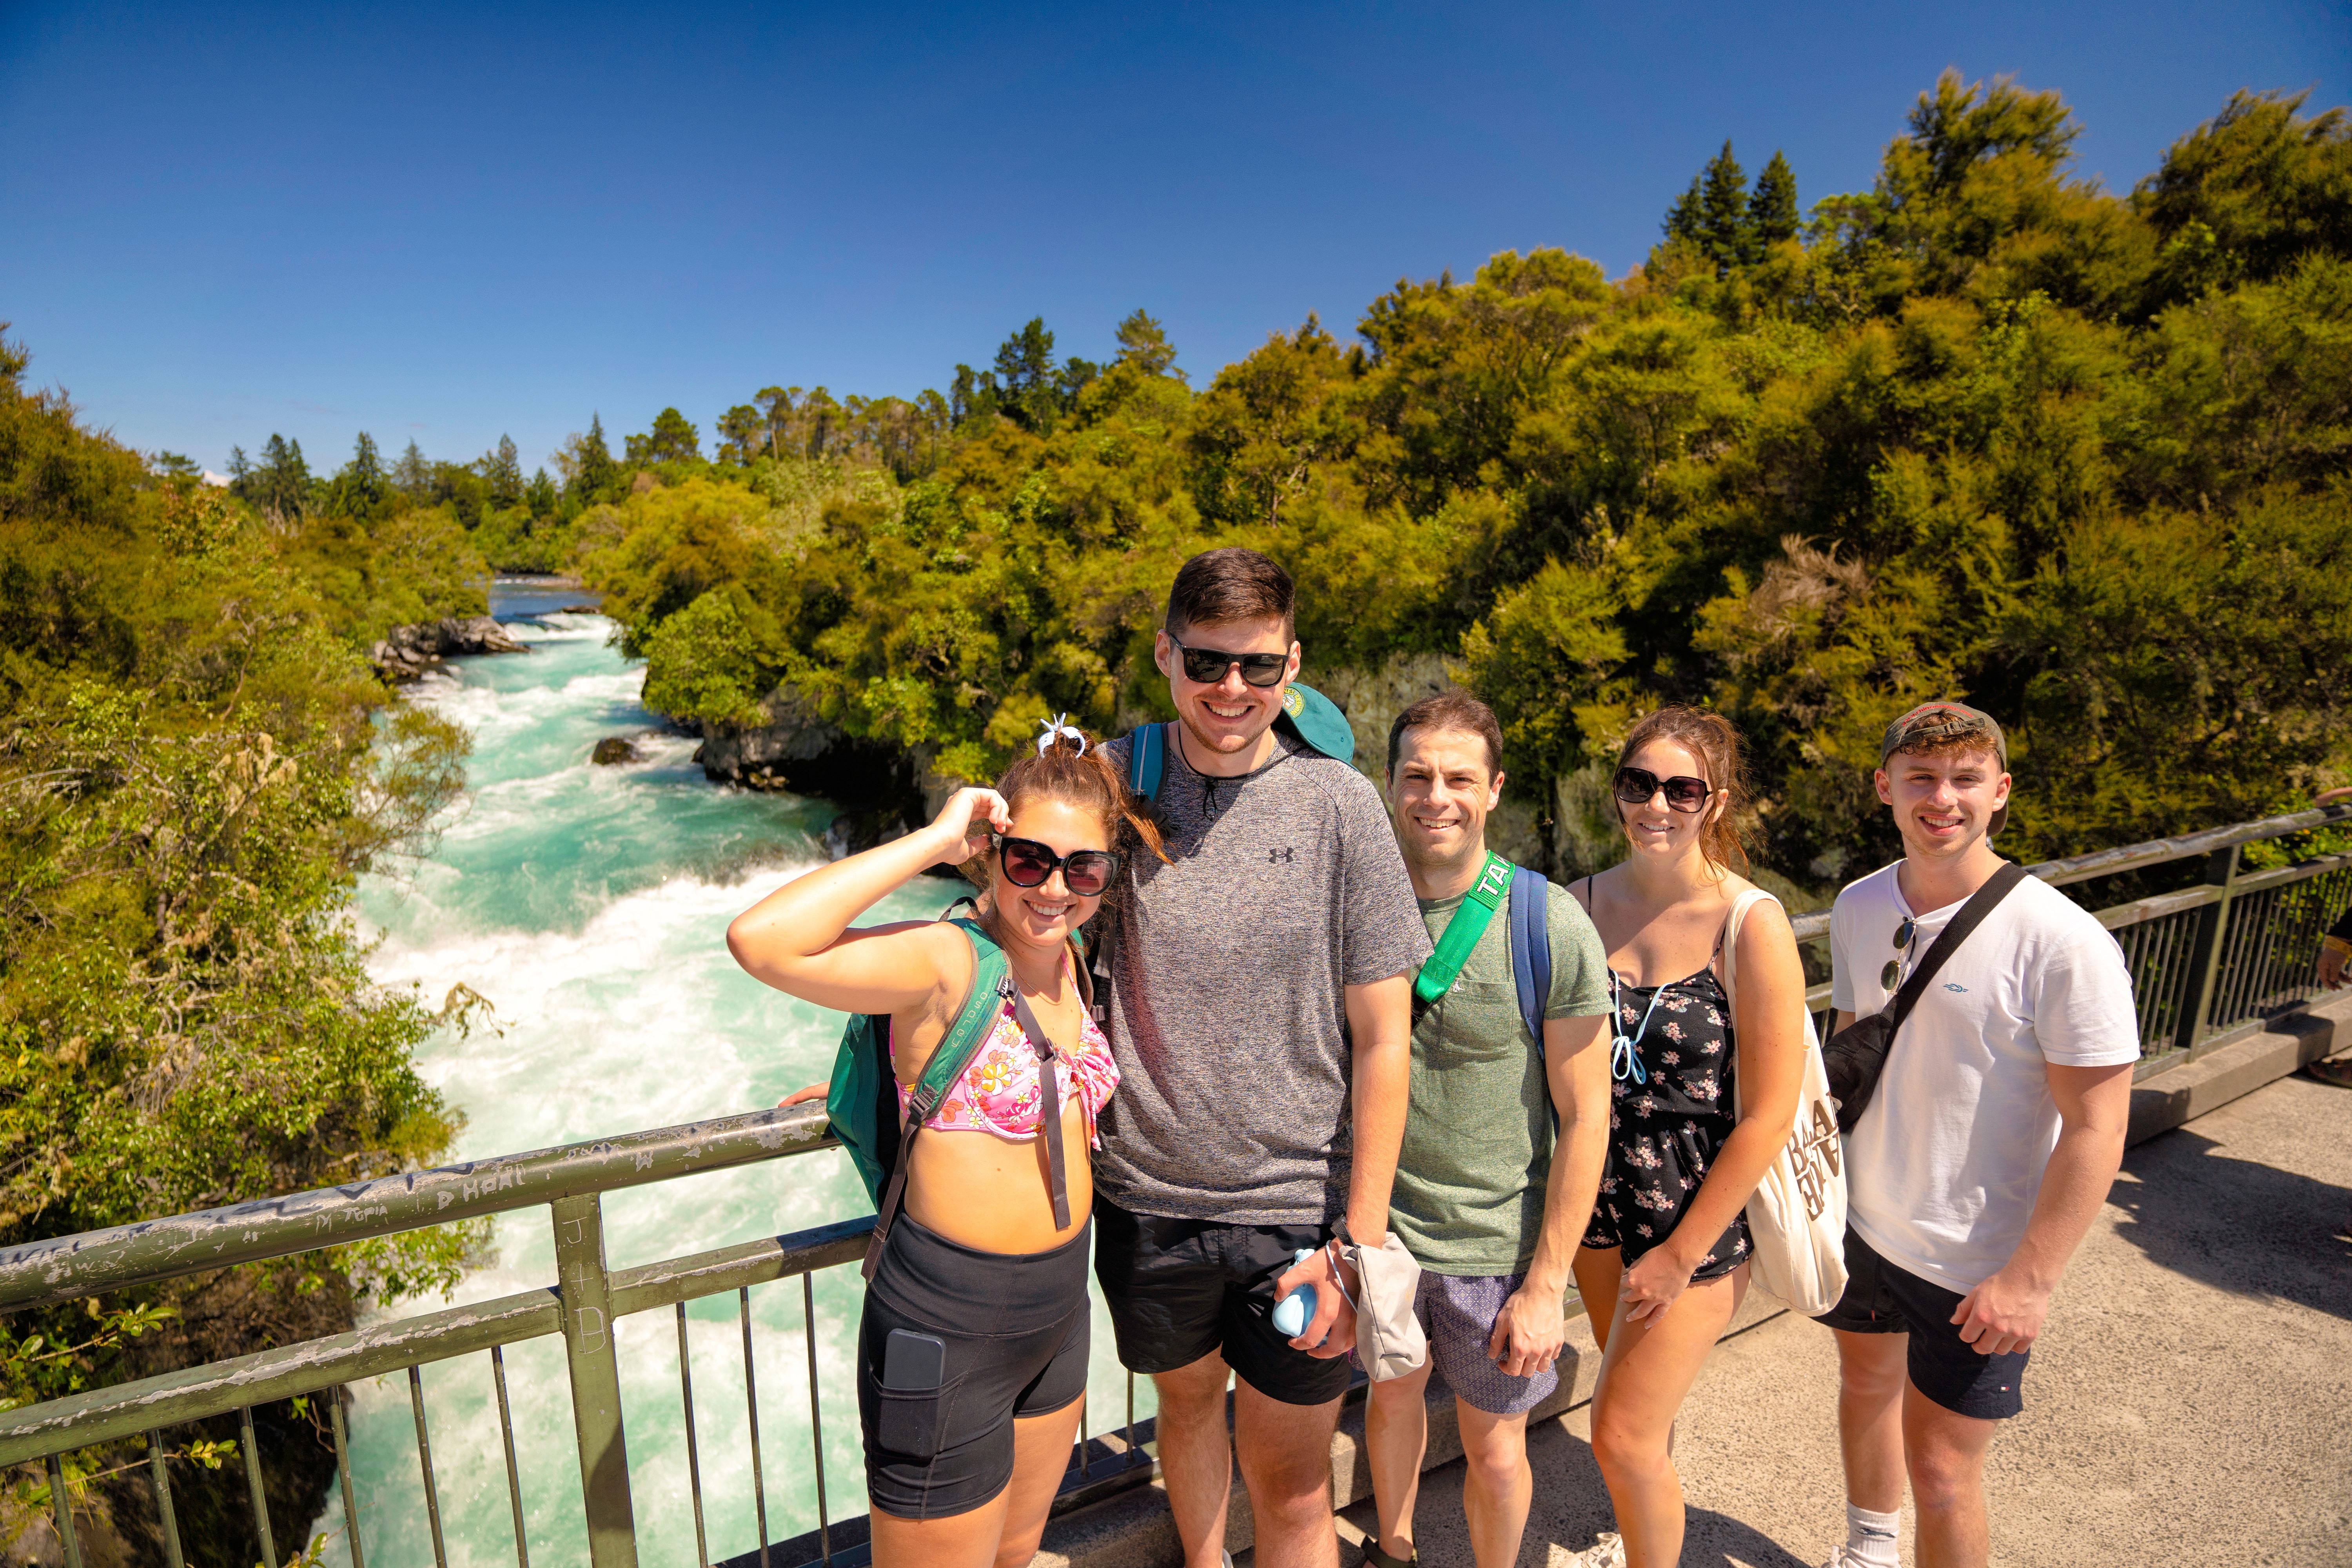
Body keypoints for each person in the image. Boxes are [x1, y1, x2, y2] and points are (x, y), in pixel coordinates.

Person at [726, 723, 1164, 1568]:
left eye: (1083, 869)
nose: (1054, 889)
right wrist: (932, 839)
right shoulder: (945, 960)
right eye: (1030, 861)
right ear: (992, 854)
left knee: (1017, 1553)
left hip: (1059, 1310)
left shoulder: (1071, 955)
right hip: (946, 1325)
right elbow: (761, 940)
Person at [1091, 548, 1428, 1568]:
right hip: (1147, 1200)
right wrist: (911, 1046)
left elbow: (1385, 1039)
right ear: (1165, 655)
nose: (1231, 688)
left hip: (1298, 1215)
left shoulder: (1339, 804)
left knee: (1293, 1484)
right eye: (1207, 661)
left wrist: (1358, 1246)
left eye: (1258, 665)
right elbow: (1024, 932)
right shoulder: (1112, 785)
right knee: (1188, 1414)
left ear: (1293, 664)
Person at [1817, 702, 2137, 1568]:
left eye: (1965, 779)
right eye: (1921, 777)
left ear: (2001, 791)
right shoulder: (1859, 903)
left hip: (1975, 1261)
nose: (1942, 798)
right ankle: (1869, 1550)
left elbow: (2100, 1123)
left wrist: (2030, 1279)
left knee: (1944, 1471)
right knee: (1865, 1384)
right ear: (1884, 786)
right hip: (1864, 1220)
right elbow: (1852, 1041)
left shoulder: (2063, 940)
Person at [1363, 692, 1613, 1568]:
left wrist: (1546, 1285)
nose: (1437, 796)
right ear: (1390, 782)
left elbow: (1587, 1116)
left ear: (1495, 789)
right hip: (1383, 1234)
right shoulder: (1359, 906)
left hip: (1496, 1248)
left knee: (1498, 1450)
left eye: (1460, 778)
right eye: (1418, 775)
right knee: (1391, 1404)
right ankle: (1393, 1550)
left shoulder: (1547, 922)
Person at [1568, 707, 1808, 1568]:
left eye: (1682, 789)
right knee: (1637, 1408)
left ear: (1717, 802)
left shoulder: (1750, 922)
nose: (1656, 805)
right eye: (1639, 783)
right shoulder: (1577, 905)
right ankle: (1644, 1529)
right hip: (1593, 1205)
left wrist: (1679, 1254)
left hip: (1692, 1215)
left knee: (1619, 1434)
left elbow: (1770, 1113)